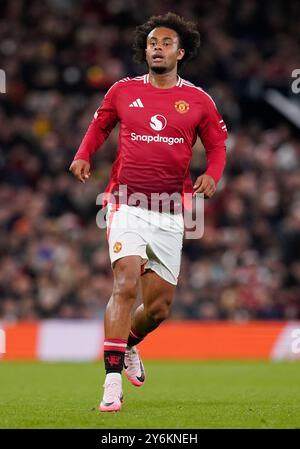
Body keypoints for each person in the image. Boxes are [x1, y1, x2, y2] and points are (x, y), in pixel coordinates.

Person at [69, 12, 227, 412]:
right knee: (124, 284)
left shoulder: (199, 99)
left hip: (171, 211)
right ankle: (109, 384)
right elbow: (101, 125)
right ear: (145, 50)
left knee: (157, 309)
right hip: (125, 202)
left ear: (181, 52)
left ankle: (129, 347)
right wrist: (84, 154)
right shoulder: (122, 90)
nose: (157, 48)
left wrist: (212, 174)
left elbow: (217, 146)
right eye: (152, 42)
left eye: (166, 43)